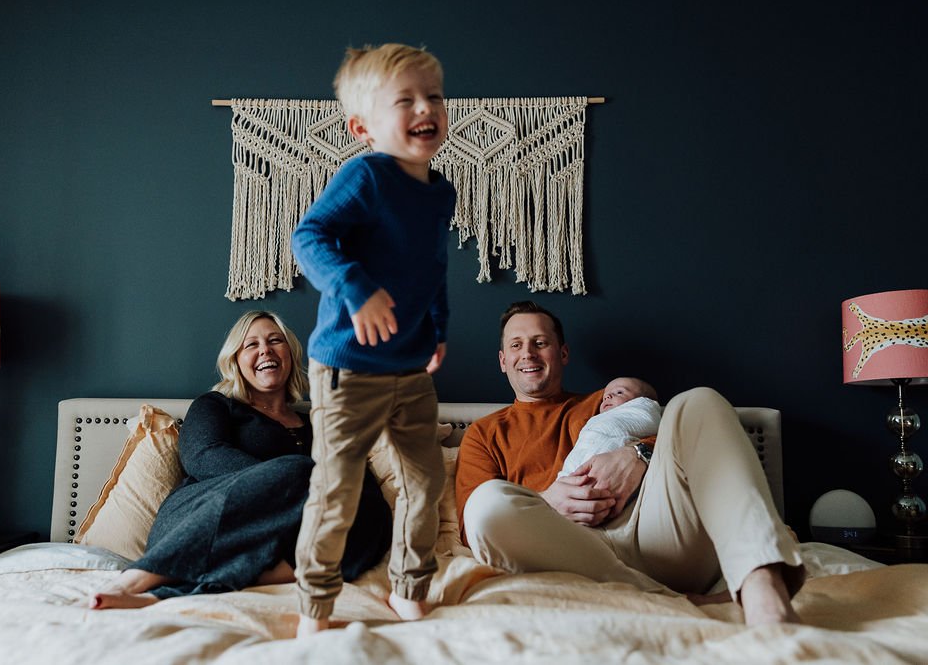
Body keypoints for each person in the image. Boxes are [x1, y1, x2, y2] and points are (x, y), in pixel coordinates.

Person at [455, 301, 805, 626]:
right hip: (567, 552)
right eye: (516, 345)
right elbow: (472, 532)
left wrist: (638, 455)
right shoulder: (484, 434)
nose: (528, 353)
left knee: (698, 401)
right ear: (503, 360)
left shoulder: (612, 401)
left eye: (540, 342)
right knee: (485, 503)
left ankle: (763, 589)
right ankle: (669, 599)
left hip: (653, 533)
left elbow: (684, 442)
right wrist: (547, 500)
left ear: (562, 353)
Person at [290, 42, 456, 635]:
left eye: (433, 96)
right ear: (363, 128)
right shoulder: (365, 177)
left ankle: (409, 588)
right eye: (404, 100)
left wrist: (437, 329)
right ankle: (315, 606)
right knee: (337, 490)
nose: (425, 108)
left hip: (409, 369)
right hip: (348, 369)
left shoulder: (440, 191)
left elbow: (431, 268)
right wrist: (355, 287)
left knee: (425, 482)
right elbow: (309, 236)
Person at [91, 310, 390, 610]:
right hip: (201, 520)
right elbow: (202, 456)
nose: (265, 350)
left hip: (284, 536)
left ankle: (180, 591)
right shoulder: (216, 405)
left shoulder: (319, 423)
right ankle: (136, 578)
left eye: (275, 340)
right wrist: (287, 481)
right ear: (235, 361)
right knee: (305, 471)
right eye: (251, 345)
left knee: (370, 507)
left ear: (290, 354)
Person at [556, 377, 660, 478]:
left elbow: (648, 419)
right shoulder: (594, 418)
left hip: (608, 452)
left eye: (619, 392)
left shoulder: (642, 409)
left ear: (641, 400)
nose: (607, 397)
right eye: (604, 397)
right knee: (566, 474)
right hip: (583, 449)